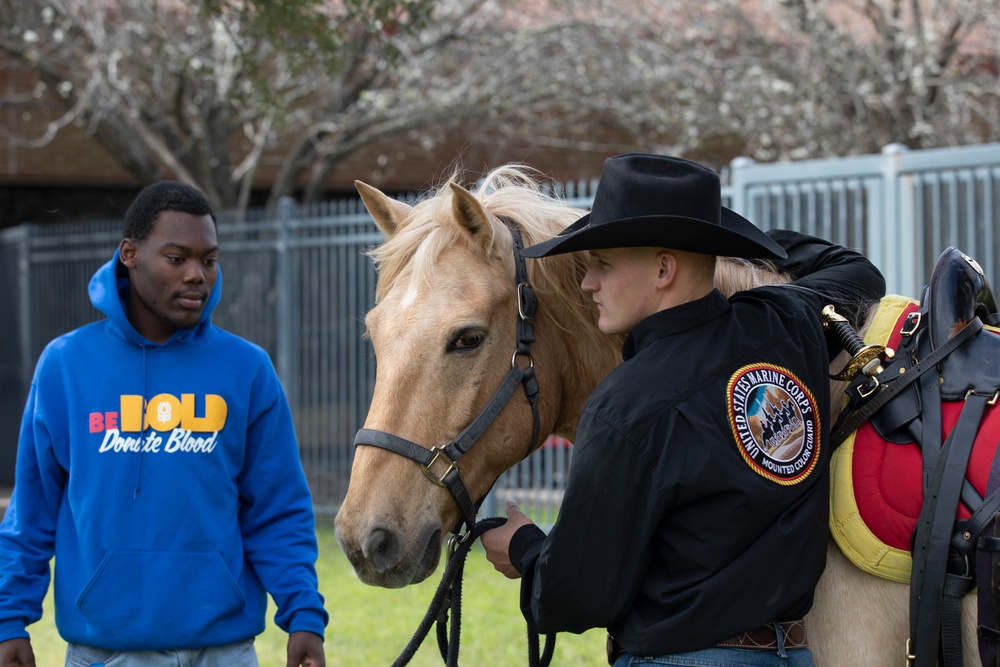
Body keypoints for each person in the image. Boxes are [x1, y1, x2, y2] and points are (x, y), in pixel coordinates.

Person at [481, 153, 886, 667]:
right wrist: (715, 237)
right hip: (791, 656)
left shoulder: (626, 407)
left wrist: (523, 549)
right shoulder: (788, 325)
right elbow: (855, 272)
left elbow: (579, 595)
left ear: (664, 268)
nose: (588, 284)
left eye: (603, 265)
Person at [0, 182, 328, 667]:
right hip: (105, 652)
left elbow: (277, 509)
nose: (197, 275)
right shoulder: (66, 366)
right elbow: (31, 512)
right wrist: (10, 619)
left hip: (225, 651)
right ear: (130, 254)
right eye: (177, 258)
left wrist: (302, 614)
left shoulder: (246, 368)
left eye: (209, 260)